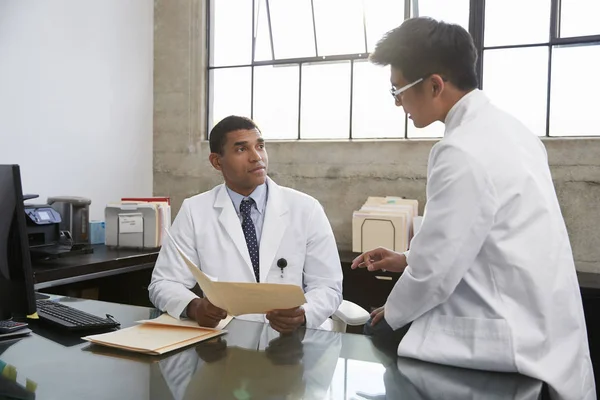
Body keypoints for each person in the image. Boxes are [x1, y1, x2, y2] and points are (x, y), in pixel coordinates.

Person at [351, 17, 595, 400]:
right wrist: (406, 258)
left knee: (375, 337)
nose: (398, 102)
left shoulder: (460, 150)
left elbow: (436, 270)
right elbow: (482, 234)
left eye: (398, 90)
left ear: (434, 85)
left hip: (508, 342)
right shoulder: (515, 132)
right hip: (546, 331)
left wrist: (388, 315)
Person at [149, 115, 342, 333]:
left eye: (260, 146)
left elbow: (328, 285)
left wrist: (304, 314)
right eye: (242, 149)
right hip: (225, 340)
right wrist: (194, 307)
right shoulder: (195, 210)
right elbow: (163, 283)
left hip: (295, 342)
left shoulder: (306, 208)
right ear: (216, 161)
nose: (256, 157)